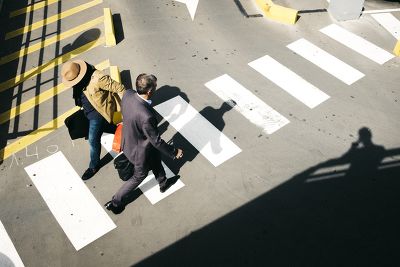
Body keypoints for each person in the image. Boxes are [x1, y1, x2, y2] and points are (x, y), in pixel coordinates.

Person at [105, 73, 183, 214]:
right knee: (138, 176)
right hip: (139, 150)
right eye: (155, 86)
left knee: (155, 158)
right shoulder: (146, 116)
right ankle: (116, 201)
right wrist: (174, 152)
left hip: (130, 140)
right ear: (149, 91)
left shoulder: (128, 94)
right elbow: (156, 141)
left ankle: (163, 183)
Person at [61, 60, 125, 180]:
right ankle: (129, 132)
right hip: (88, 111)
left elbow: (120, 88)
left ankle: (94, 166)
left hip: (98, 114)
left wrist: (129, 107)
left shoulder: (98, 78)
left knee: (93, 140)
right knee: (112, 128)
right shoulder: (79, 80)